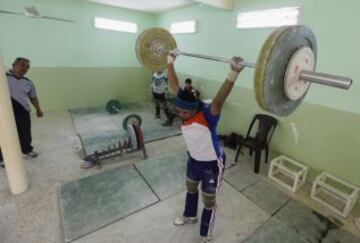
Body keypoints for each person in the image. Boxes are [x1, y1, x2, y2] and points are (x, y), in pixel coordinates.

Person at [167, 49, 244, 243]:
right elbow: (174, 84)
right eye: (178, 111)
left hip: (212, 164)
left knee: (209, 202)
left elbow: (219, 98)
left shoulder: (208, 114)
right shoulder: (183, 100)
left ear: (193, 109)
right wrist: (170, 61)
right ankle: (190, 215)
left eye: (184, 113)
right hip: (193, 160)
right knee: (191, 188)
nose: (180, 115)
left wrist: (233, 72)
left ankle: (205, 235)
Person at [0, 57, 43, 168]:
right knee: (3, 135)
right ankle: (1, 158)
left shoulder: (28, 82)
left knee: (25, 133)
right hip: (6, 113)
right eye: (22, 65)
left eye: (27, 67)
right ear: (14, 65)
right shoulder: (3, 78)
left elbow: (33, 97)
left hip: (23, 112)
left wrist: (38, 109)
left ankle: (27, 150)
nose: (25, 68)